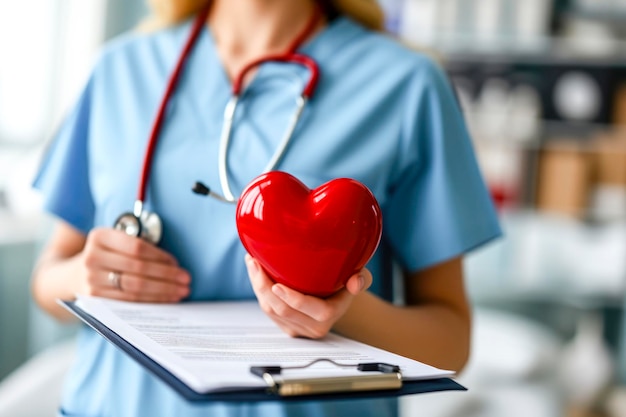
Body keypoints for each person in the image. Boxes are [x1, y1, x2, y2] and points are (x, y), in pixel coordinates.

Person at [31, 0, 502, 416]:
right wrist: (84, 278)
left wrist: (343, 314)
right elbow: (47, 279)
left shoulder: (407, 84)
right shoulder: (120, 69)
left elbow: (451, 342)